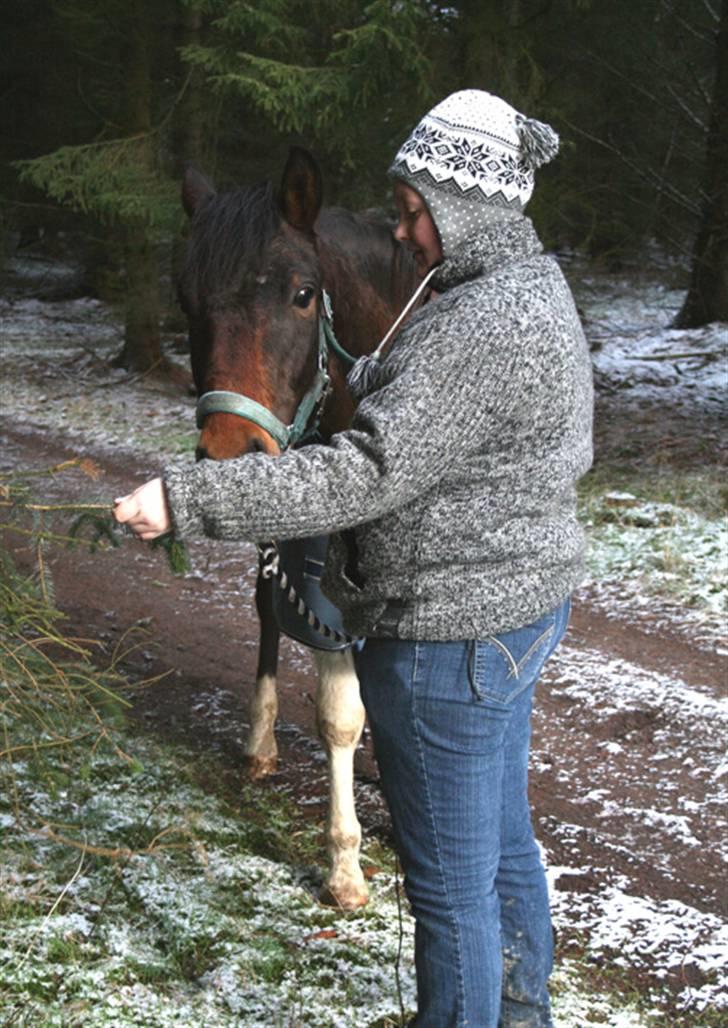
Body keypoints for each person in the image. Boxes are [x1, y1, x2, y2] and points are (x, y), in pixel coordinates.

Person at [114, 89, 594, 1027]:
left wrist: (189, 498)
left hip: (449, 635)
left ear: (469, 208)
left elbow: (367, 473)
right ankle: (519, 1012)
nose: (400, 230)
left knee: (448, 890)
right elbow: (447, 413)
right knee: (501, 848)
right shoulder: (526, 288)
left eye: (414, 209)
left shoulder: (480, 326)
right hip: (516, 606)